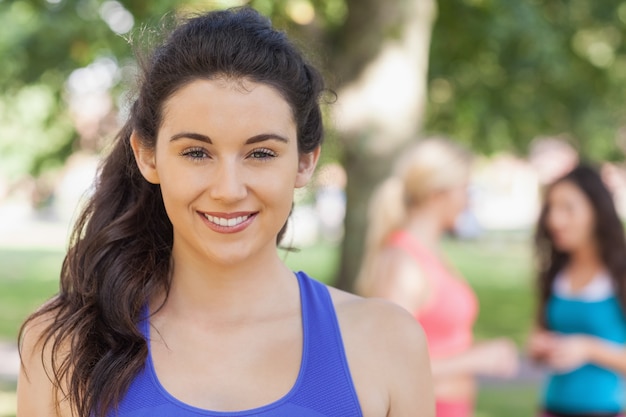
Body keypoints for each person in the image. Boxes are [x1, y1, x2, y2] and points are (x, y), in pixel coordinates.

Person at [17, 8, 434, 417]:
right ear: (148, 157)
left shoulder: (386, 342)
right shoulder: (65, 345)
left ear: (306, 162)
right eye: (197, 152)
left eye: (261, 153)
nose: (228, 190)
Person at [356, 138, 518, 417]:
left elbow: (440, 341)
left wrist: (483, 351)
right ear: (437, 194)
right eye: (465, 190)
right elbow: (391, 364)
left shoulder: (430, 254)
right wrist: (477, 359)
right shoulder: (402, 263)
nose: (469, 201)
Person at [529, 165, 626, 417]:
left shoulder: (620, 275)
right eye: (551, 208)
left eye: (568, 208)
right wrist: (540, 347)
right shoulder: (555, 274)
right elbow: (539, 333)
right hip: (551, 407)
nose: (555, 220)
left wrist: (588, 348)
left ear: (596, 211)